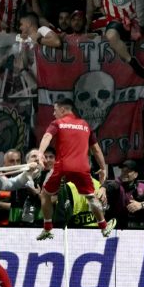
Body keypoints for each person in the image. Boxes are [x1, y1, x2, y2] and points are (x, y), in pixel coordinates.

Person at [36, 98, 116, 240]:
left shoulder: (57, 123)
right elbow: (96, 150)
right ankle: (103, 227)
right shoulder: (85, 125)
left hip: (62, 166)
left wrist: (40, 153)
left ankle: (48, 228)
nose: (54, 114)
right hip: (82, 167)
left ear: (63, 110)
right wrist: (103, 168)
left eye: (55, 110)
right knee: (91, 197)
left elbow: (47, 136)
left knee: (44, 194)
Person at [82, 0, 144, 78]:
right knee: (110, 36)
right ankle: (132, 62)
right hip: (116, 21)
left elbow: (141, 4)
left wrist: (143, 25)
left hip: (135, 21)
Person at [97, 159, 144, 228]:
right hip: (116, 227)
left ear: (136, 174)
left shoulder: (143, 188)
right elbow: (110, 185)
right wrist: (103, 188)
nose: (124, 173)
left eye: (128, 171)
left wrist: (140, 203)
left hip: (136, 228)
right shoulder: (117, 185)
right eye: (123, 171)